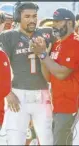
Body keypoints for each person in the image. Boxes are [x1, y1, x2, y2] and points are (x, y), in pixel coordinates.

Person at [0, 2, 54, 145]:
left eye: (34, 16)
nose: (32, 20)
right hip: (17, 94)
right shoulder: (8, 36)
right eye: (27, 16)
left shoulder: (47, 33)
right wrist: (7, 92)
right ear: (18, 17)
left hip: (43, 93)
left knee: (48, 139)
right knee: (15, 139)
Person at [31, 8, 79, 145]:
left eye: (58, 22)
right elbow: (49, 77)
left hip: (70, 105)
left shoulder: (75, 42)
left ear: (69, 23)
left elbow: (61, 73)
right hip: (56, 104)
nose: (54, 25)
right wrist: (41, 55)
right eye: (54, 22)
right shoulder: (57, 44)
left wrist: (43, 55)